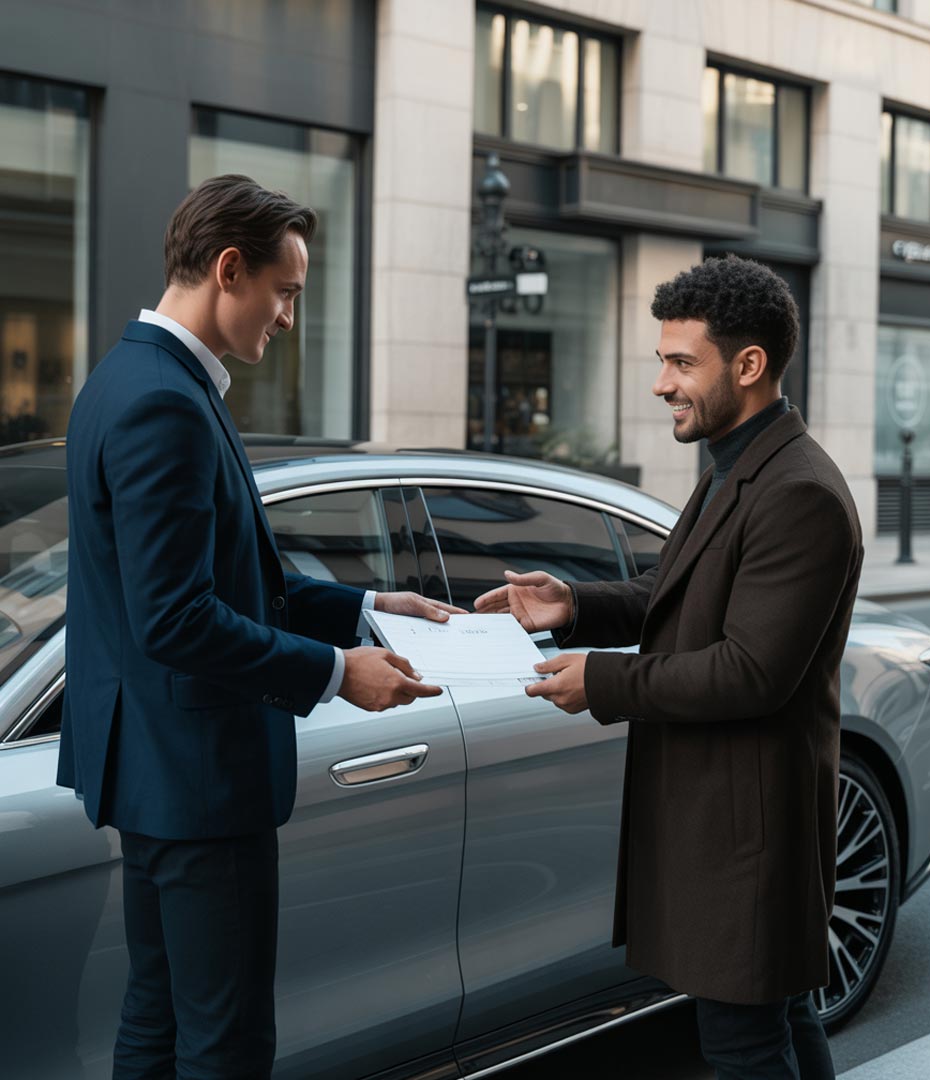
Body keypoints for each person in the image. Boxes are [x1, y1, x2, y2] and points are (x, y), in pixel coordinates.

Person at [57, 174, 462, 1080]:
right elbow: (176, 616)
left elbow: (235, 581)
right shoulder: (165, 400)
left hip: (155, 769)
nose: (288, 318)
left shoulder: (129, 378)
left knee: (159, 1022)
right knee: (226, 1044)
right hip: (199, 781)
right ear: (229, 270)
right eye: (286, 292)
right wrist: (333, 672)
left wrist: (364, 607)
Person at [476, 255, 863, 1080]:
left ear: (748, 365)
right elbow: (680, 589)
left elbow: (751, 670)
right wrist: (572, 604)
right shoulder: (741, 461)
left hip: (747, 837)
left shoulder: (799, 490)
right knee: (780, 1022)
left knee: (746, 1045)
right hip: (725, 826)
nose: (661, 383)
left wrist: (601, 682)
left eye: (681, 362)